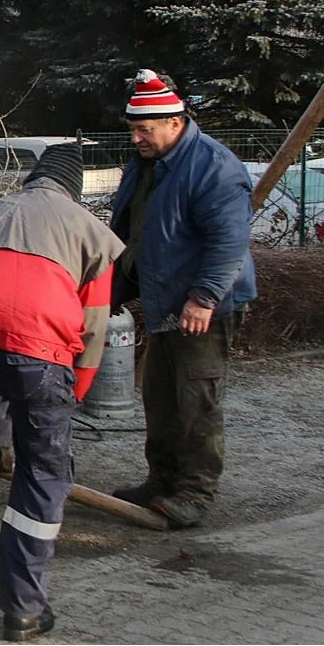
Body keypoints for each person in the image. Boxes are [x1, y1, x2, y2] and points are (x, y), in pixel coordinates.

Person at [0, 142, 124, 642]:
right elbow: (94, 330)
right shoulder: (93, 234)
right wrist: (69, 397)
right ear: (74, 191)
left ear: (31, 180)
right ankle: (24, 609)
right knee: (43, 477)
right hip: (39, 354)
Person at [107, 70, 256, 529]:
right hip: (161, 299)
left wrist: (204, 297)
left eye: (143, 130)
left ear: (174, 123)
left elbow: (228, 243)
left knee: (197, 400)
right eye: (133, 129)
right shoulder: (146, 165)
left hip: (201, 307)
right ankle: (162, 480)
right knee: (159, 397)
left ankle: (195, 492)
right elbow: (130, 229)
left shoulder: (213, 167)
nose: (136, 138)